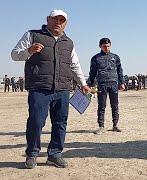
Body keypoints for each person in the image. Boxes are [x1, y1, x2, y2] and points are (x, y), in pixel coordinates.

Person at [11, 9, 90, 169]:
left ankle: (54, 155)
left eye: (62, 20)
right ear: (48, 19)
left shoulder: (69, 42)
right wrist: (29, 51)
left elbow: (74, 65)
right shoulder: (32, 35)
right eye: (55, 19)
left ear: (65, 23)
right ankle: (32, 154)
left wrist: (83, 83)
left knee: (60, 122)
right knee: (36, 122)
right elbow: (14, 54)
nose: (58, 23)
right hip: (40, 88)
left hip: (62, 89)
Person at [87, 38, 125, 135]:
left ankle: (115, 125)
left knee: (115, 105)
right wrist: (89, 85)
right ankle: (101, 126)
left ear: (110, 46)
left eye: (108, 46)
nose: (106, 48)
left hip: (114, 84)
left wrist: (122, 82)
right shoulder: (95, 58)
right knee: (101, 106)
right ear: (100, 46)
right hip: (102, 84)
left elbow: (120, 71)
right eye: (104, 46)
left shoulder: (115, 57)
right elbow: (92, 72)